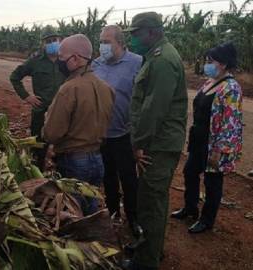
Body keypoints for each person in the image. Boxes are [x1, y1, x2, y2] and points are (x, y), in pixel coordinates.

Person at [121, 12, 188, 270]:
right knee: (153, 200)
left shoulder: (162, 60)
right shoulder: (156, 56)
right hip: (157, 142)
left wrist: (138, 144)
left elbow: (153, 109)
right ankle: (150, 248)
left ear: (151, 32)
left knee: (150, 203)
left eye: (135, 34)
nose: (133, 40)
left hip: (156, 145)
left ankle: (146, 262)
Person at [171, 42, 243, 234]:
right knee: (189, 172)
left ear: (225, 64)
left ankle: (207, 220)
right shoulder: (209, 82)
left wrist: (220, 150)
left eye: (211, 61)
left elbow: (230, 122)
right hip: (199, 139)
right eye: (207, 60)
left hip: (214, 144)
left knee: (212, 182)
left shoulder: (231, 88)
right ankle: (190, 208)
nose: (207, 64)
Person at [43, 34, 115, 215]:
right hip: (97, 159)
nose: (59, 62)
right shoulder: (106, 87)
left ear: (75, 59)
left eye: (61, 58)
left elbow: (52, 133)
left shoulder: (69, 89)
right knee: (90, 208)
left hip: (73, 161)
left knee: (72, 212)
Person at [92, 25, 142, 229]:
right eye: (101, 42)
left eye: (107, 42)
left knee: (129, 179)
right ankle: (113, 214)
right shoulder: (95, 64)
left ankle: (134, 219)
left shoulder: (138, 62)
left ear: (121, 43)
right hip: (101, 134)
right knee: (108, 177)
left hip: (125, 134)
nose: (102, 46)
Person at [10, 26, 66, 167]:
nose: (52, 43)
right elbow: (15, 77)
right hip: (41, 110)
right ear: (42, 43)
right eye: (48, 41)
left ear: (60, 40)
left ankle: (61, 174)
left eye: (54, 40)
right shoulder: (35, 61)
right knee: (38, 146)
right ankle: (38, 172)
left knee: (63, 146)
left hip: (62, 110)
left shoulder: (65, 60)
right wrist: (27, 97)